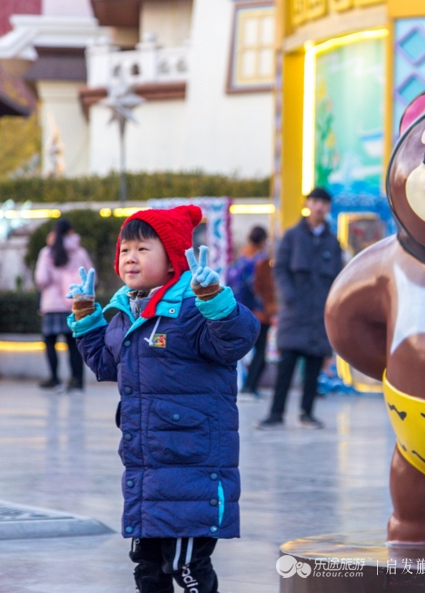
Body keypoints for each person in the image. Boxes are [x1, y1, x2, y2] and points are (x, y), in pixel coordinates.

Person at [66, 205, 259, 593]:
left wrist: (216, 301)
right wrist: (87, 317)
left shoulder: (193, 305)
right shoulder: (124, 310)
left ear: (172, 258)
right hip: (147, 469)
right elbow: (106, 364)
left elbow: (236, 341)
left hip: (193, 465)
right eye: (125, 250)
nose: (130, 258)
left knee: (186, 567)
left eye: (142, 249)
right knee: (148, 569)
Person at [257, 187, 343, 430]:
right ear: (308, 204)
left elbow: (338, 275)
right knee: (287, 365)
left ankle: (307, 413)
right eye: (315, 201)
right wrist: (289, 296)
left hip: (319, 316)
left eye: (324, 203)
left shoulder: (332, 242)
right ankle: (276, 413)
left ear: (328, 208)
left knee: (314, 366)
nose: (319, 207)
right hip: (294, 313)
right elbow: (280, 268)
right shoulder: (292, 236)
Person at [34, 218, 92, 391]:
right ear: (70, 231)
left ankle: (54, 378)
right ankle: (77, 381)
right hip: (74, 304)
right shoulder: (79, 252)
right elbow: (89, 275)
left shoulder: (47, 252)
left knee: (50, 343)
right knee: (74, 344)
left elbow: (41, 279)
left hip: (51, 305)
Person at [227, 225, 276, 400]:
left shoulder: (238, 260)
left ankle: (238, 386)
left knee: (237, 350)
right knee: (260, 352)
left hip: (236, 311)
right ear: (263, 241)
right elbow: (266, 289)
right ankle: (249, 387)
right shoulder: (262, 261)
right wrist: (272, 309)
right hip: (258, 314)